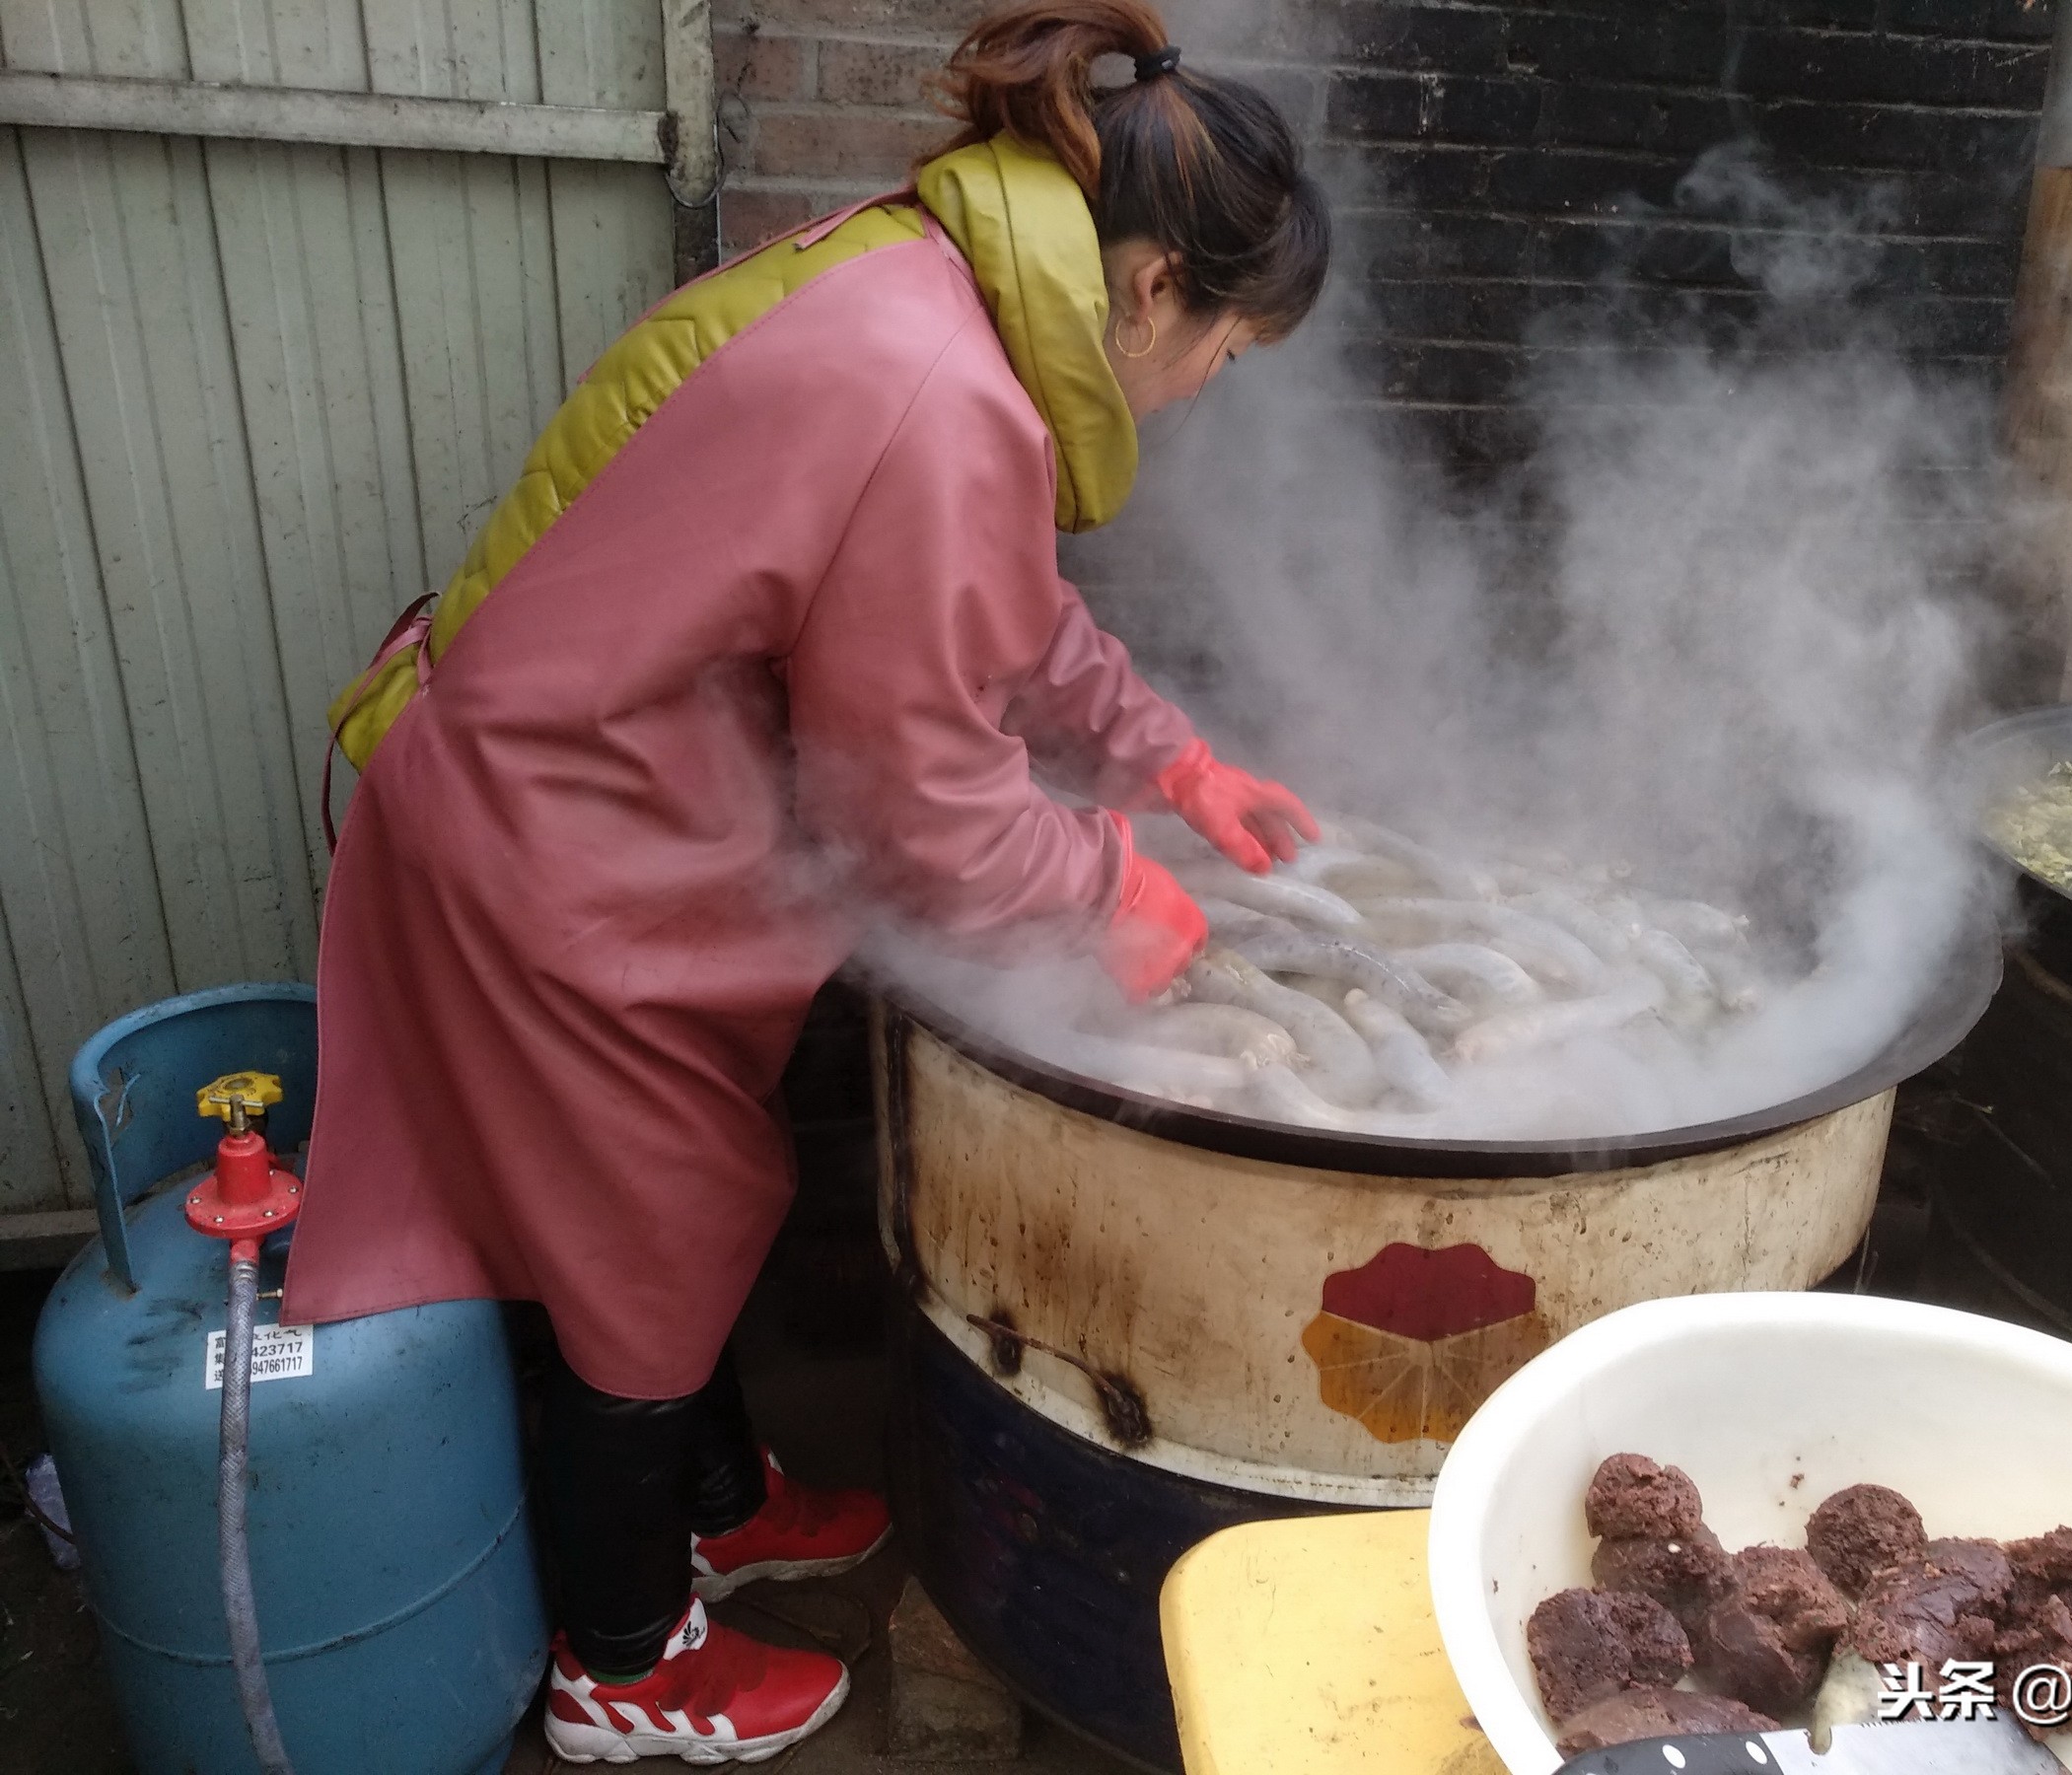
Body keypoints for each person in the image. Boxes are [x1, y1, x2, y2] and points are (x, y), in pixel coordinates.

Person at [279, 0, 1330, 1761]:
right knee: (644, 1224)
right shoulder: (945, 389)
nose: (1211, 389)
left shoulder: (940, 291)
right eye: (1232, 352)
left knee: (681, 1199)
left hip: (600, 790)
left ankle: (714, 1503)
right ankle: (623, 1663)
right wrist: (1108, 898)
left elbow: (995, 610)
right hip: (552, 827)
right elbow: (920, 803)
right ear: (1156, 291)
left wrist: (1166, 761)